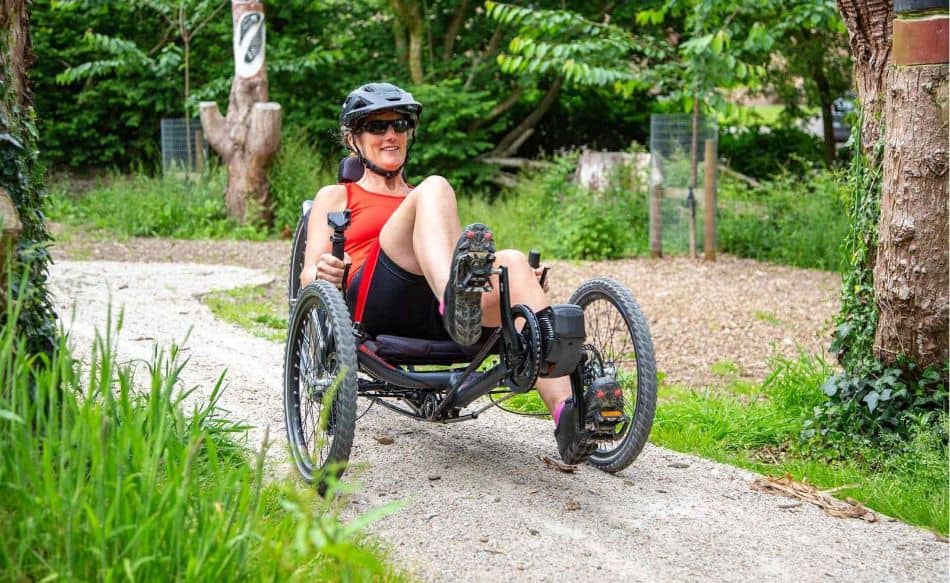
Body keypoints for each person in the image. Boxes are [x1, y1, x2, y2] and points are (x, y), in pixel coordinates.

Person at [300, 82, 616, 463]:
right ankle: (454, 297)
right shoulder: (338, 196)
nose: (390, 135)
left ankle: (568, 416)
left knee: (513, 262)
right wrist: (323, 271)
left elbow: (454, 255)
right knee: (436, 186)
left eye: (399, 125)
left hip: (443, 311)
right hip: (375, 301)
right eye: (376, 127)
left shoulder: (424, 200)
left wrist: (519, 284)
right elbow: (307, 279)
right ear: (353, 138)